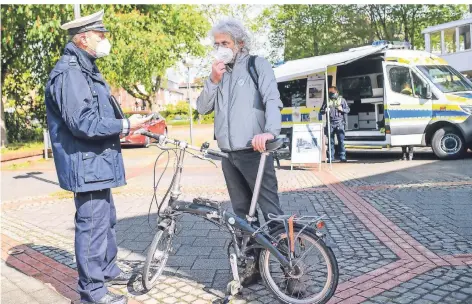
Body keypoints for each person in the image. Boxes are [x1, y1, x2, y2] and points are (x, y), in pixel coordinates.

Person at [44, 10, 152, 304]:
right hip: (86, 163)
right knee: (92, 227)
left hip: (96, 162)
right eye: (100, 36)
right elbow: (83, 122)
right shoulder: (70, 73)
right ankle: (93, 294)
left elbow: (99, 113)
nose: (105, 41)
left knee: (107, 220)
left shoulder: (85, 68)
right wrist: (125, 126)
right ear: (83, 38)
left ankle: (106, 270)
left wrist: (125, 121)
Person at [196, 18, 285, 287]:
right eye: (217, 44)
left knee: (271, 212)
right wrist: (213, 79)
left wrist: (269, 132)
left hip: (255, 151)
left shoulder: (257, 65)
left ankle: (291, 269)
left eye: (225, 43)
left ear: (240, 43)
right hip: (228, 154)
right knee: (242, 214)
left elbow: (272, 100)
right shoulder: (219, 73)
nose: (220, 48)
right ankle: (252, 266)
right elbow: (202, 108)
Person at [321, 86, 350, 162]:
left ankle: (342, 157)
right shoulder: (327, 101)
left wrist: (342, 109)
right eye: (329, 92)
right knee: (331, 141)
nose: (331, 94)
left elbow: (348, 110)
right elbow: (321, 111)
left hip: (339, 123)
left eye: (332, 92)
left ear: (336, 92)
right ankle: (331, 157)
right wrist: (324, 110)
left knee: (341, 141)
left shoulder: (342, 100)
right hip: (330, 123)